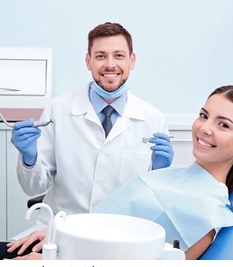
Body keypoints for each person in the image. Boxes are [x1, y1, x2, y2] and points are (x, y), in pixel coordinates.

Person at [0, 85, 233, 260]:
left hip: (59, 263)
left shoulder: (206, 210)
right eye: (204, 115)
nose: (204, 129)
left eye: (222, 124)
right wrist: (56, 231)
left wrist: (53, 265)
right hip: (55, 244)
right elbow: (113, 221)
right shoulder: (182, 176)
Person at [10, 22, 174, 236]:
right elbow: (34, 189)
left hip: (124, 235)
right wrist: (29, 158)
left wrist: (161, 175)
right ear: (88, 61)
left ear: (131, 60)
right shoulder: (58, 110)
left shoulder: (153, 119)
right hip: (61, 232)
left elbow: (156, 202)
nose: (110, 64)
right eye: (100, 56)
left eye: (118, 55)